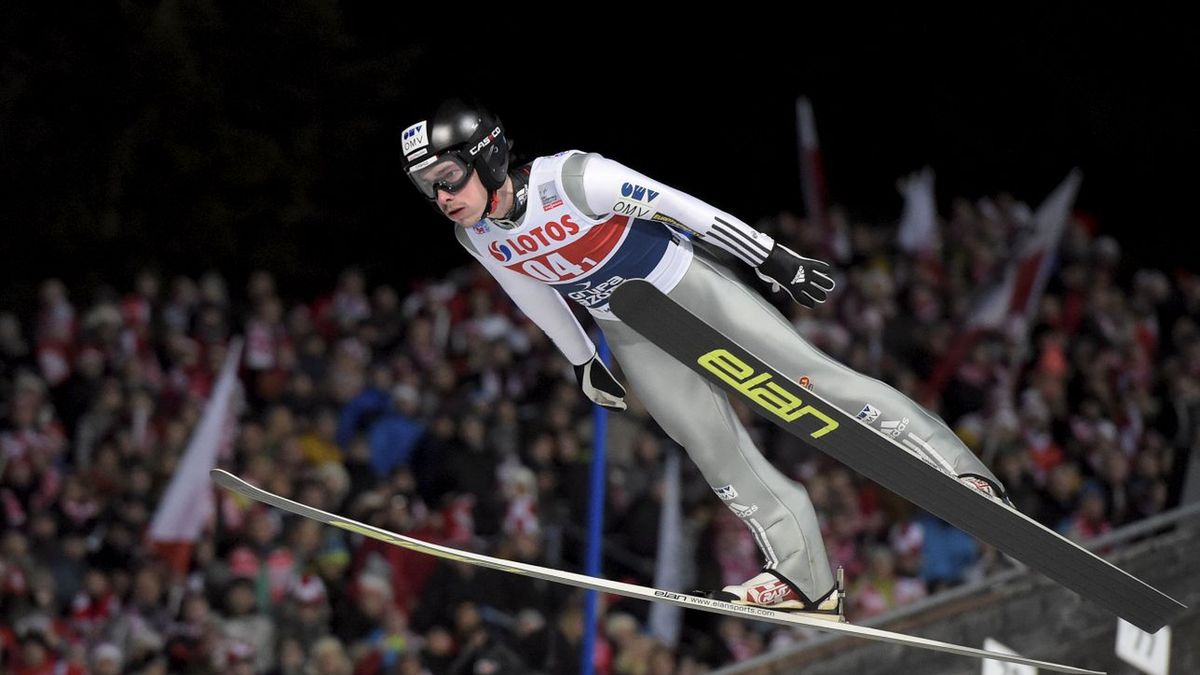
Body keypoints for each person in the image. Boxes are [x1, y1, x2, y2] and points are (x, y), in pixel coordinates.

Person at [399, 98, 1006, 616]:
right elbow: (530, 290)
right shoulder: (475, 233)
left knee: (814, 383)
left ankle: (959, 472)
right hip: (629, 326)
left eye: (448, 176)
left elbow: (682, 207)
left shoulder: (576, 180)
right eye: (427, 186)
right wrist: (583, 358)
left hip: (686, 286)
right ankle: (808, 582)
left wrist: (773, 259)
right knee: (712, 448)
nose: (441, 195)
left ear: (487, 155)